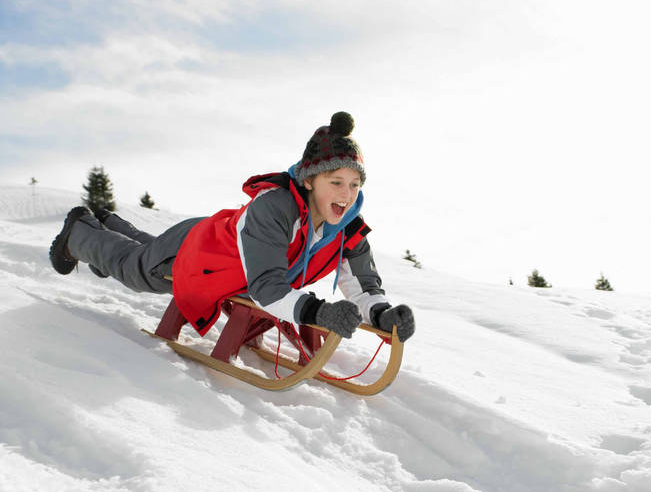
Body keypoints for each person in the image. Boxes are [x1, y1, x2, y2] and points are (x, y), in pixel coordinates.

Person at [49, 111, 415, 342]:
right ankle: (78, 232)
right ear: (309, 180)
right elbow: (267, 288)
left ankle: (109, 223)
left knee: (145, 252)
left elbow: (363, 285)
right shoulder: (275, 208)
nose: (347, 195)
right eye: (336, 182)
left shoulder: (349, 229)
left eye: (354, 185)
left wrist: (382, 314)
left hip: (228, 260)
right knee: (135, 268)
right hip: (200, 251)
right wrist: (318, 313)